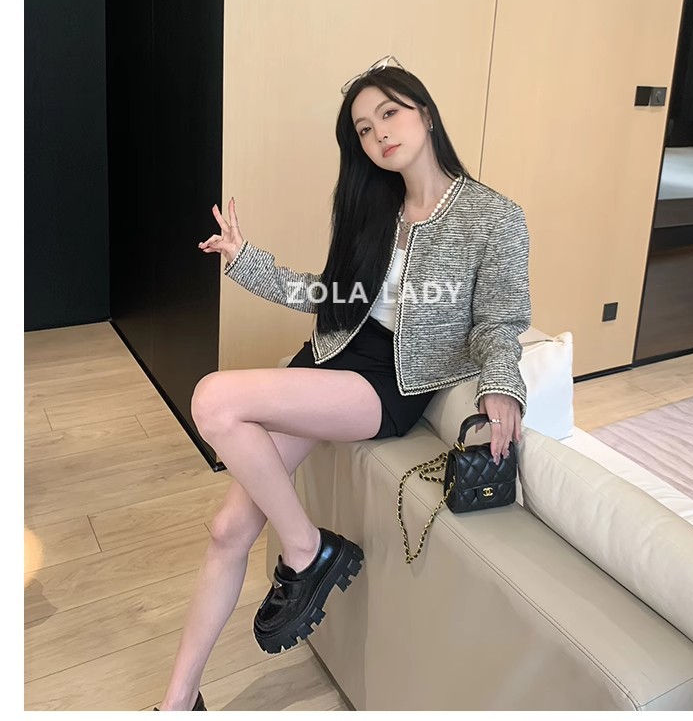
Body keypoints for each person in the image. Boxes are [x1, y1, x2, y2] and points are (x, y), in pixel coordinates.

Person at [155, 56, 531, 711]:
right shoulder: (374, 208)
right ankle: (179, 701)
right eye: (363, 128)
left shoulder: (492, 216)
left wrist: (501, 383)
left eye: (390, 112)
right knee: (227, 528)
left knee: (213, 398)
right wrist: (245, 261)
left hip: (388, 382)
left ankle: (307, 549)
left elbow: (501, 319)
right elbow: (328, 296)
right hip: (329, 356)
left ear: (425, 114)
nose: (379, 133)